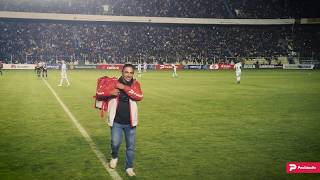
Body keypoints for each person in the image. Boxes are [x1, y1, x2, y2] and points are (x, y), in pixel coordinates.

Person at [104, 64, 143, 177]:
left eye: (131, 73)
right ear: (122, 72)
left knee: (130, 146)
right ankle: (114, 157)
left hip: (130, 122)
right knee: (115, 143)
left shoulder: (136, 84)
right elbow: (100, 92)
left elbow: (139, 96)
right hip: (116, 121)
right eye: (126, 72)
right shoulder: (113, 82)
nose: (129, 75)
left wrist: (124, 87)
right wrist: (110, 92)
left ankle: (129, 167)